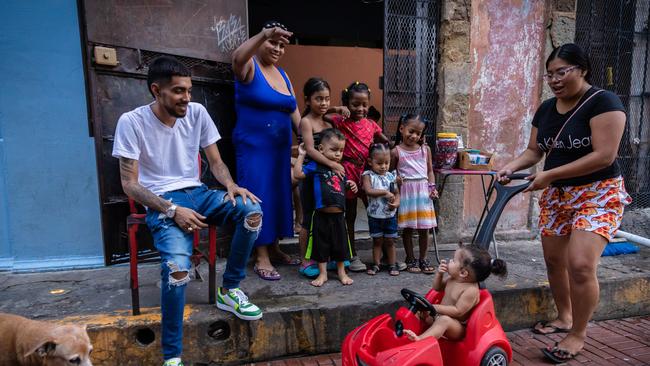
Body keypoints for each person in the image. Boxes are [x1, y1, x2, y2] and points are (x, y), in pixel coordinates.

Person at [112, 56, 263, 366]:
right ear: (157, 90)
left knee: (251, 212)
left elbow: (216, 162)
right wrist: (171, 210)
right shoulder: (132, 121)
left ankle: (230, 290)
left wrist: (231, 185)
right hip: (162, 201)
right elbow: (130, 184)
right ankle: (172, 356)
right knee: (177, 271)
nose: (187, 98)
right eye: (178, 91)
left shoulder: (196, 113)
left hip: (198, 192)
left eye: (189, 91)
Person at [496, 43, 631, 363]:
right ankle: (564, 316)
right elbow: (534, 151)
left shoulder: (604, 102)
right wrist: (511, 166)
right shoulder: (545, 109)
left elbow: (604, 155)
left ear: (582, 69)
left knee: (581, 264)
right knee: (555, 262)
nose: (555, 80)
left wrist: (550, 174)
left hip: (599, 192)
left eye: (562, 72)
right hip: (558, 195)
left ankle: (578, 334)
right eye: (550, 74)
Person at [231, 21, 301, 281]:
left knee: (278, 197)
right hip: (254, 148)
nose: (278, 49)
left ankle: (274, 247)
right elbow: (238, 57)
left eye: (282, 46)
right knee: (259, 198)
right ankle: (260, 256)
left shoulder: (283, 75)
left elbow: (293, 110)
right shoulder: (249, 67)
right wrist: (264, 34)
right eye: (274, 42)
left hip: (279, 149)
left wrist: (307, 138)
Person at [327, 81, 390, 272]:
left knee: (380, 208)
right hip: (348, 172)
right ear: (347, 103)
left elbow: (384, 140)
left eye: (364, 104)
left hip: (368, 172)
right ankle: (351, 254)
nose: (360, 108)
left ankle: (384, 252)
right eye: (355, 104)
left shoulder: (371, 124)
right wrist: (337, 108)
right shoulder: (340, 121)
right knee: (350, 214)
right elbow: (323, 114)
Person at [297, 77, 350, 277]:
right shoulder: (306, 121)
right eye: (319, 99)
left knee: (326, 219)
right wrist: (333, 164)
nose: (324, 103)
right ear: (307, 100)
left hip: (329, 178)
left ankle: (324, 257)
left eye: (327, 99)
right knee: (309, 218)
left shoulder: (327, 120)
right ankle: (304, 260)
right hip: (312, 177)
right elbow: (310, 149)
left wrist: (336, 109)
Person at [293, 129, 357, 287]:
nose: (338, 154)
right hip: (321, 214)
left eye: (341, 151)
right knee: (320, 245)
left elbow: (343, 184)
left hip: (339, 215)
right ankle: (323, 274)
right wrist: (301, 154)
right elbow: (298, 174)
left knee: (340, 245)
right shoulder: (315, 166)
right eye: (334, 150)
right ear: (321, 149)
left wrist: (351, 185)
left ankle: (342, 273)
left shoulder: (340, 168)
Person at [403, 245, 507, 342]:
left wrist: (434, 307)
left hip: (456, 327)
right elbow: (437, 288)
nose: (449, 261)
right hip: (437, 316)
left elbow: (458, 311)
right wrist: (439, 274)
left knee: (444, 320)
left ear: (463, 273)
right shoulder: (452, 278)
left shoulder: (470, 291)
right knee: (417, 310)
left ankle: (419, 340)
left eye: (453, 260)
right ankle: (405, 334)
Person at [391, 114, 438, 274]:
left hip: (424, 192)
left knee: (425, 229)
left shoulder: (426, 150)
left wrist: (432, 187)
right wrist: (395, 179)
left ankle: (423, 259)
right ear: (402, 128)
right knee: (408, 229)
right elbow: (391, 173)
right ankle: (410, 259)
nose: (414, 136)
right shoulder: (396, 151)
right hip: (407, 193)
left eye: (418, 133)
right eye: (411, 131)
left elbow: (430, 171)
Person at [362, 143, 400, 276]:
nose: (383, 166)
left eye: (386, 163)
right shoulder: (368, 175)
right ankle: (376, 264)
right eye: (379, 163)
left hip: (390, 216)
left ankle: (392, 264)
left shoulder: (390, 176)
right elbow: (368, 190)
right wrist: (384, 193)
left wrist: (396, 203)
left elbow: (396, 192)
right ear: (370, 162)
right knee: (377, 241)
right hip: (375, 216)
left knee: (390, 241)